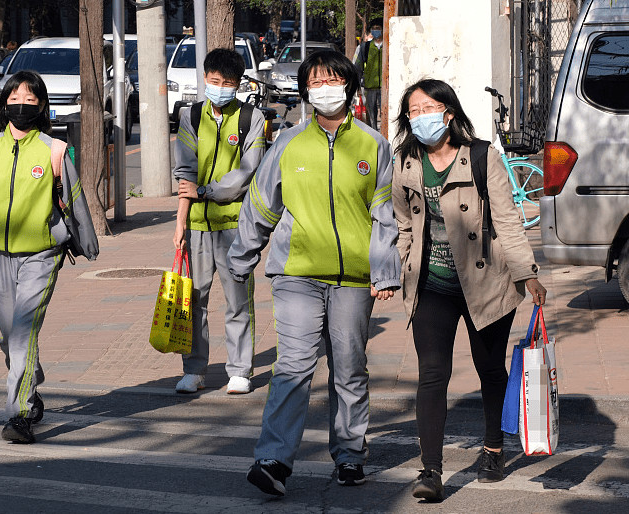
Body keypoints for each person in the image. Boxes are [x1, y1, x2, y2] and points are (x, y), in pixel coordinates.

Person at [228, 49, 401, 496]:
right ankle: (273, 460)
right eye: (316, 81)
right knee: (293, 365)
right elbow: (262, 203)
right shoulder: (288, 142)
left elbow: (384, 215)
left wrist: (384, 272)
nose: (325, 89)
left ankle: (349, 455)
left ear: (350, 87)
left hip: (353, 279)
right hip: (296, 274)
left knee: (349, 365)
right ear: (305, 90)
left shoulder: (373, 145)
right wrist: (242, 257)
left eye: (333, 80)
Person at [391, 78, 547, 501]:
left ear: (449, 111)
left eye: (428, 107)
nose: (421, 116)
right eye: (413, 110)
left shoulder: (482, 157)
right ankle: (431, 471)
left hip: (486, 282)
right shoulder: (405, 160)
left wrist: (527, 273)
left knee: (490, 369)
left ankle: (493, 447)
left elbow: (508, 221)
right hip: (433, 284)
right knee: (432, 375)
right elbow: (403, 221)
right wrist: (401, 269)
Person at [0, 70, 99, 444]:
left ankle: (18, 416)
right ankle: (30, 388)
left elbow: (75, 199)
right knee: (9, 336)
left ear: (41, 106)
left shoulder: (54, 150)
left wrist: (87, 242)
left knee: (21, 334)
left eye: (30, 100)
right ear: (4, 104)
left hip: (41, 256)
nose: (21, 105)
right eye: (15, 99)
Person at [172, 48, 266, 395]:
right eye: (214, 81)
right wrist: (180, 222)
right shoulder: (190, 115)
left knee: (238, 299)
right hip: (196, 224)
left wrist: (206, 191)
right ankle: (194, 369)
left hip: (235, 225)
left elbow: (245, 172)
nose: (221, 87)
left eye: (228, 83)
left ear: (238, 85)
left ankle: (240, 370)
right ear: (205, 78)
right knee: (193, 299)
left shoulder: (251, 119)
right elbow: (185, 175)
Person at [354, 18, 384, 130]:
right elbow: (357, 67)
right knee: (371, 116)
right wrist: (356, 87)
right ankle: (373, 135)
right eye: (374, 29)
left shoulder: (390, 46)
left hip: (386, 88)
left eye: (378, 28)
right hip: (369, 87)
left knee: (386, 114)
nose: (376, 31)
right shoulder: (364, 47)